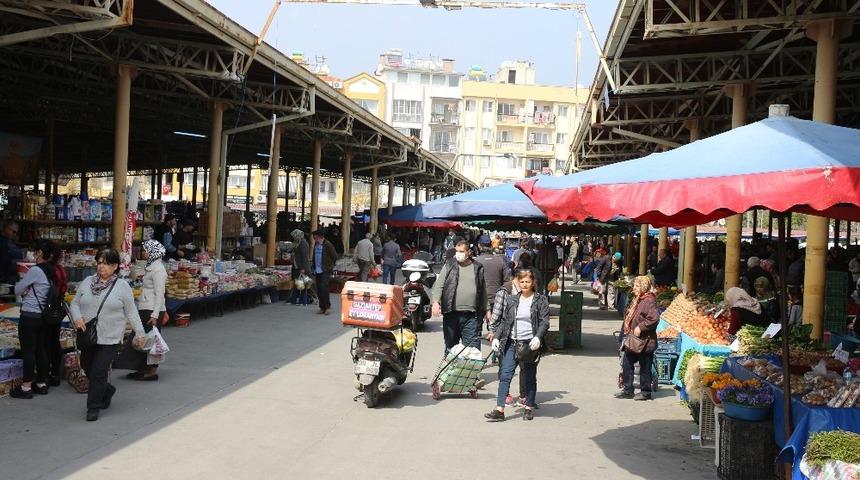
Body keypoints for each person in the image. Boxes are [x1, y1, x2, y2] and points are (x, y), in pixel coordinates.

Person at [69, 249, 146, 421]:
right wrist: (77, 317)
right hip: (88, 335)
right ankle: (107, 390)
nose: (101, 266)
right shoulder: (88, 282)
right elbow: (75, 302)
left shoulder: (122, 286)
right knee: (87, 367)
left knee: (98, 371)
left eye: (106, 263)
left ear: (115, 266)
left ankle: (93, 407)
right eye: (99, 262)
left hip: (110, 337)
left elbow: (132, 312)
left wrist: (140, 333)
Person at [484, 269, 550, 421]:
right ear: (518, 283)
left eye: (527, 282)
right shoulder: (512, 300)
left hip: (530, 345)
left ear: (533, 283)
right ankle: (499, 410)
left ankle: (528, 407)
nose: (525, 284)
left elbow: (544, 322)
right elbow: (505, 322)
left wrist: (538, 337)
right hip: (512, 342)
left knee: (529, 376)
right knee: (505, 375)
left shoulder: (541, 300)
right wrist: (496, 337)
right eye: (522, 282)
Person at [10, 240, 62, 399]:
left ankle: (26, 387)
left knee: (29, 351)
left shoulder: (36, 270)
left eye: (35, 251)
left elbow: (18, 289)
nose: (33, 254)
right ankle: (41, 383)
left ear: (40, 253)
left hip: (29, 315)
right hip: (43, 317)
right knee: (41, 349)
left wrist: (23, 286)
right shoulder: (53, 270)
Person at [431, 240, 487, 353]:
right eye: (457, 251)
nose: (458, 254)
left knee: (472, 350)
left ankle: (471, 371)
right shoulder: (449, 265)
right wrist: (435, 302)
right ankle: (450, 371)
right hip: (451, 314)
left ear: (469, 252)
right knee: (451, 348)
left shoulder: (477, 267)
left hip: (472, 316)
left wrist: (487, 309)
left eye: (461, 251)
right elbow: (439, 286)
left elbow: (483, 290)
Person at [126, 240, 168, 381]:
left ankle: (152, 371)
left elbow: (160, 293)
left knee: (151, 340)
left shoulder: (158, 270)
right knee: (142, 338)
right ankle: (142, 368)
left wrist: (156, 314)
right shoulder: (151, 266)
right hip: (146, 307)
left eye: (146, 250)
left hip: (152, 310)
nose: (143, 252)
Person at [614, 276, 659, 401]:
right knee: (627, 361)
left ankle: (646, 392)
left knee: (645, 366)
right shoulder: (639, 299)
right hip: (635, 340)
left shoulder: (649, 300)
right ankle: (628, 389)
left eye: (636, 286)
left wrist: (640, 327)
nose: (634, 288)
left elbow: (654, 318)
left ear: (643, 287)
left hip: (645, 341)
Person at [476, 239, 510, 331]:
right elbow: (508, 281)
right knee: (497, 329)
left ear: (479, 246)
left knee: (476, 328)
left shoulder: (475, 262)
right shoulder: (500, 261)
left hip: (479, 299)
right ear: (491, 245)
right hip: (497, 298)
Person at [311, 230, 338, 315]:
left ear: (320, 237)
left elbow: (335, 256)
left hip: (325, 270)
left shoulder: (328, 245)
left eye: (315, 238)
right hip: (317, 270)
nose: (314, 240)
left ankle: (327, 307)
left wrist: (330, 266)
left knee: (324, 287)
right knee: (318, 288)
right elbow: (314, 255)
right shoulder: (316, 244)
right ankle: (322, 307)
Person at [288, 229, 310, 304]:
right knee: (297, 283)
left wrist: (303, 268)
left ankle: (303, 301)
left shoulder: (303, 243)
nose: (293, 237)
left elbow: (304, 256)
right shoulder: (298, 242)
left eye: (294, 236)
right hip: (296, 266)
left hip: (301, 266)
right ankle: (294, 300)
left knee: (302, 284)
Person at [0, 220, 23, 284]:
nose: (15, 234)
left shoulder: (11, 242)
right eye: (13, 232)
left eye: (16, 233)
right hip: (5, 279)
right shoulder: (3, 243)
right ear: (6, 229)